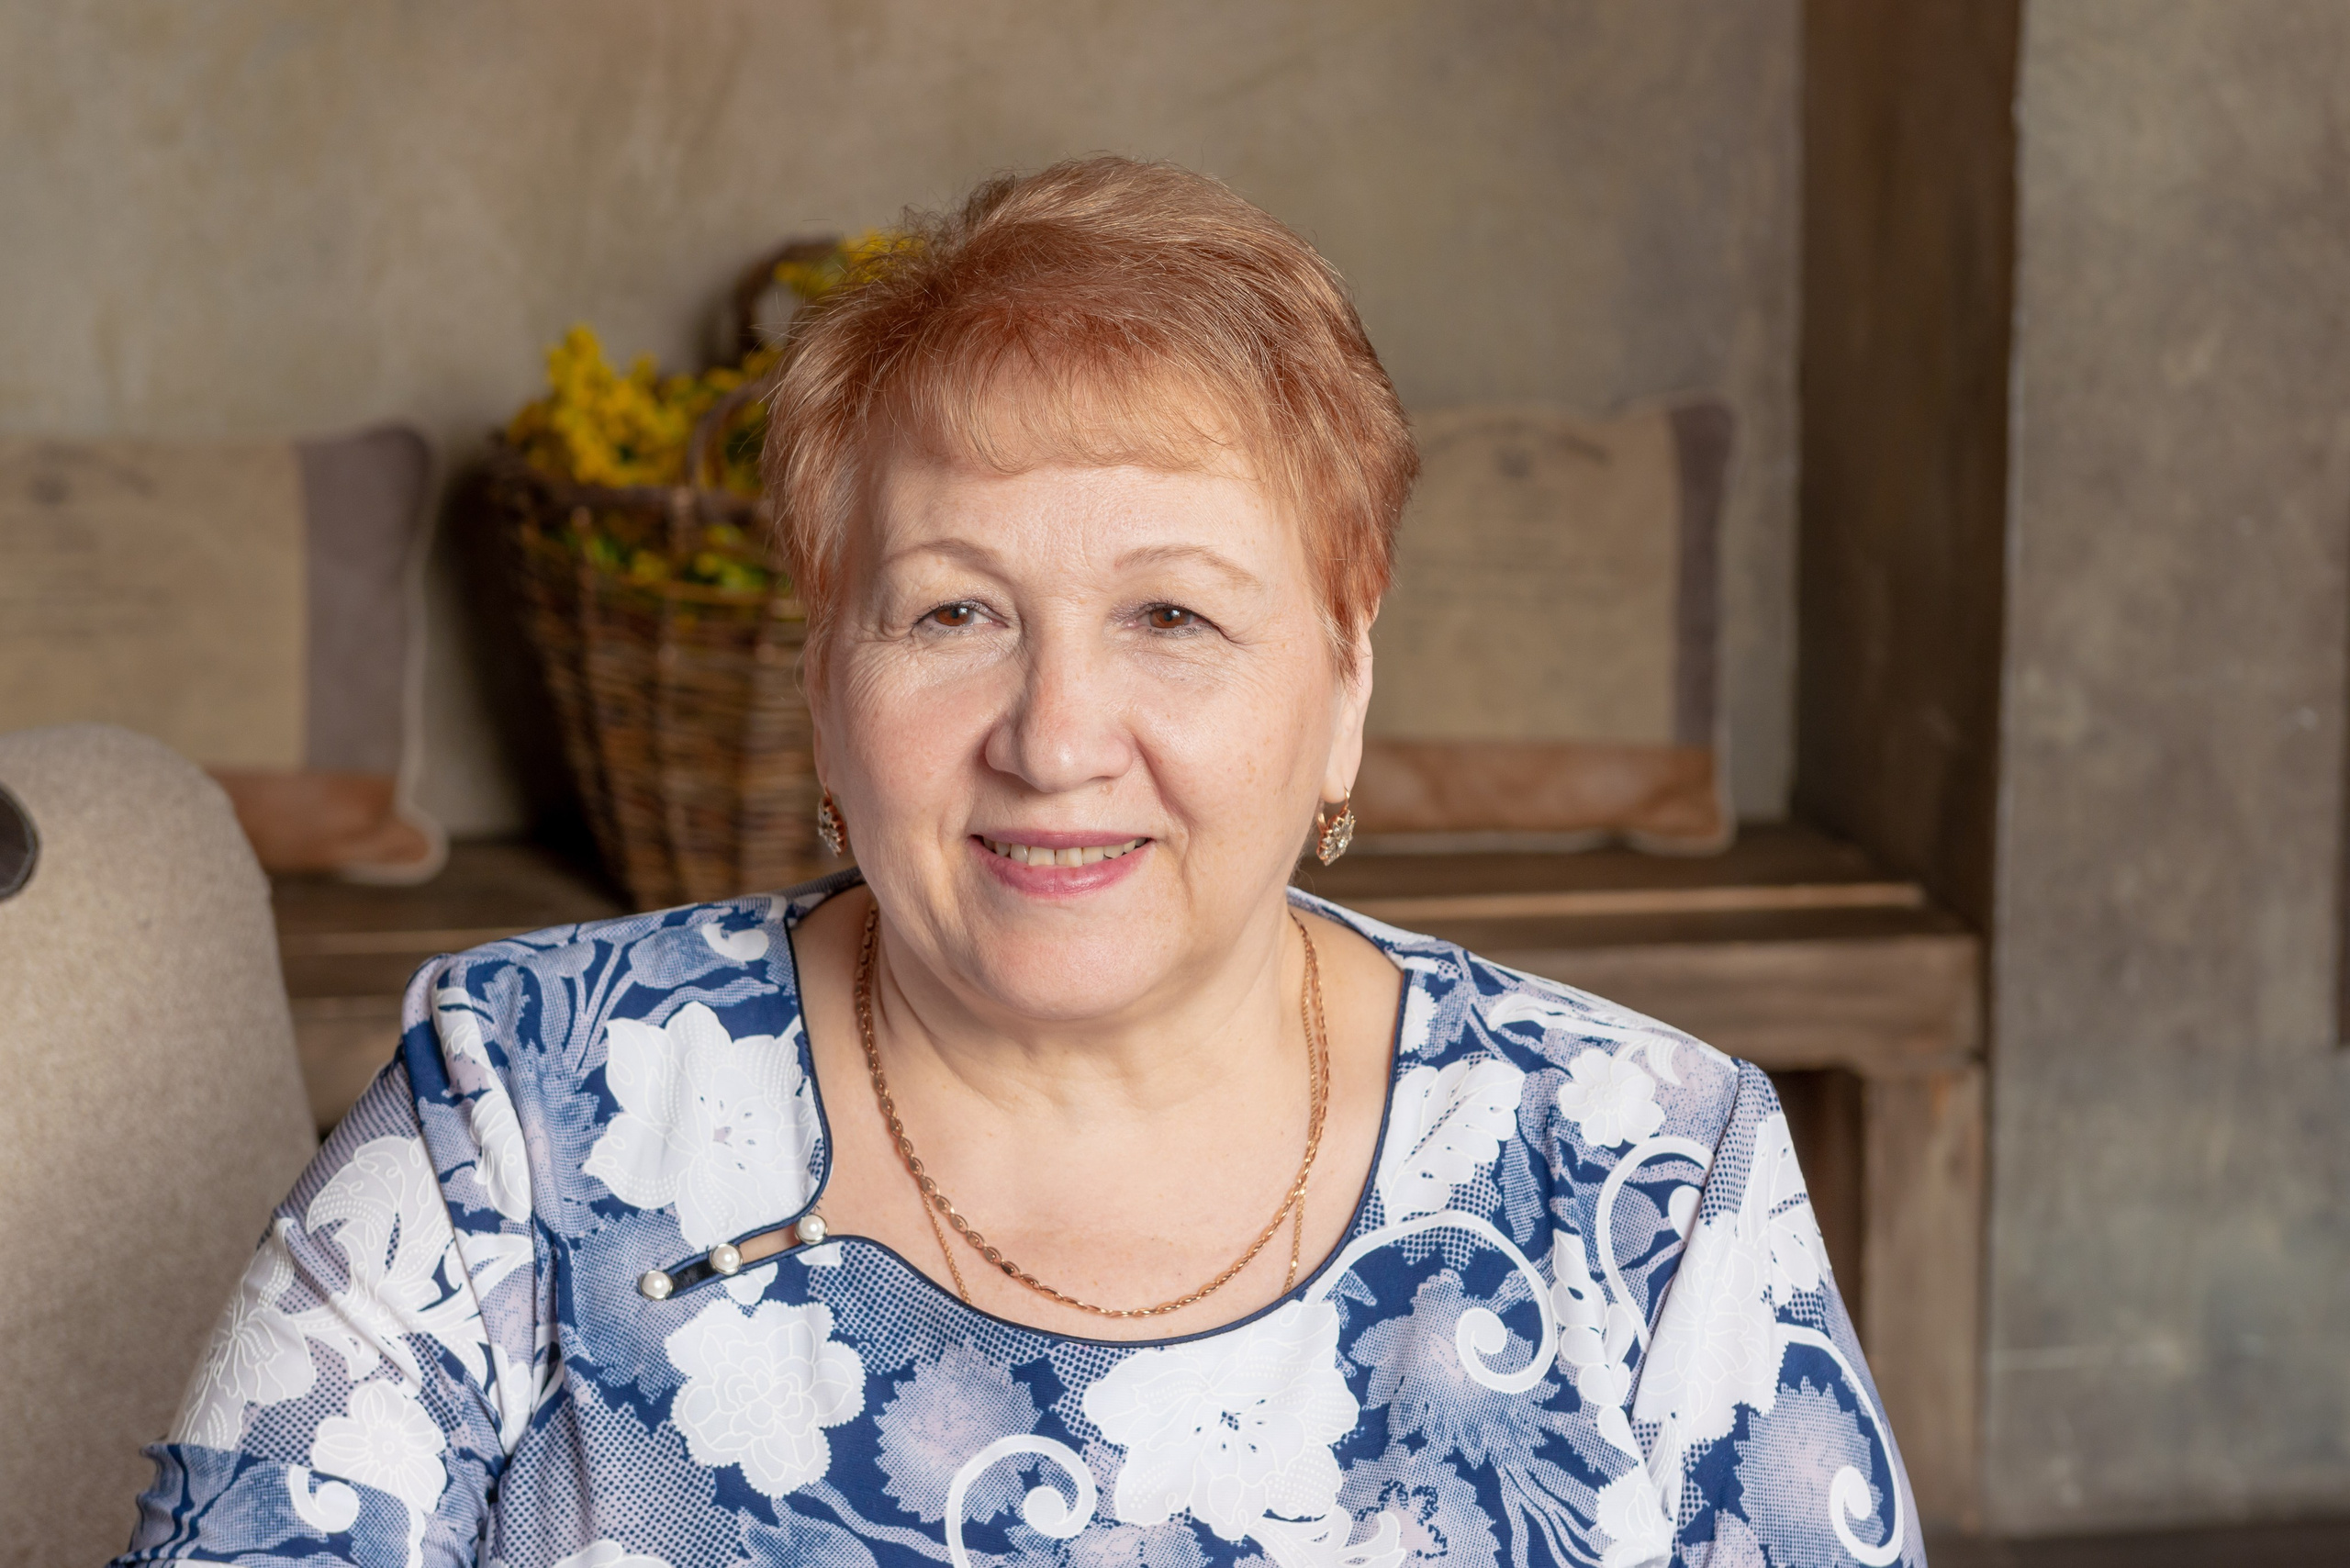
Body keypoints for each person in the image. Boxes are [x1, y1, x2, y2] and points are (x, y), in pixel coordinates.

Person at [121, 158, 1920, 1568]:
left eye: (1170, 612)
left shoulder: (1649, 1174)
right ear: (826, 681)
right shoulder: (516, 1102)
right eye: (954, 609)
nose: (1054, 734)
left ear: (1343, 679)